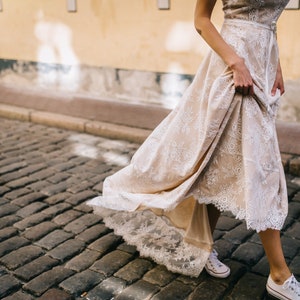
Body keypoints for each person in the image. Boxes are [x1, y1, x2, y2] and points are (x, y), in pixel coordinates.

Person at [88, 0, 300, 299]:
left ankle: (201, 245)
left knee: (217, 161)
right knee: (261, 166)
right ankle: (279, 274)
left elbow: (268, 19)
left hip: (262, 64)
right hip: (233, 68)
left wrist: (276, 63)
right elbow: (201, 20)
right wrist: (235, 62)